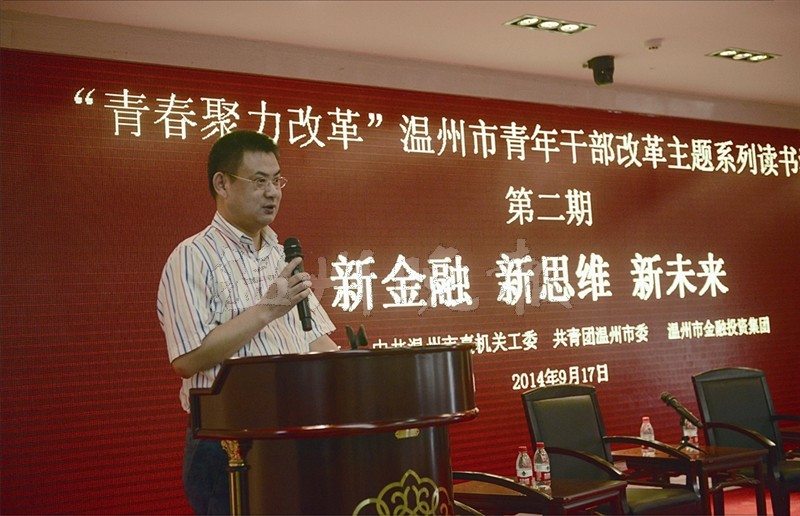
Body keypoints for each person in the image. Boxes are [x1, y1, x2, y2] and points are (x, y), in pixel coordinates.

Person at [157, 130, 338, 514]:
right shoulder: (192, 257)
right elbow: (187, 359)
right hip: (227, 441)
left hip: (294, 431)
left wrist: (358, 366)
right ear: (222, 183)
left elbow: (314, 339)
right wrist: (265, 311)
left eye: (277, 181)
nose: (272, 193)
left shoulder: (281, 256)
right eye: (259, 181)